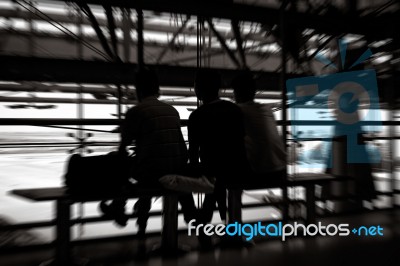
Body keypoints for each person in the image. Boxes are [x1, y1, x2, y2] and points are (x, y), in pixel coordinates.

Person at [101, 68, 196, 237]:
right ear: (157, 89)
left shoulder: (136, 111)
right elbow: (179, 147)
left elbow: (123, 148)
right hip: (176, 170)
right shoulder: (172, 111)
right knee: (151, 163)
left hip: (152, 174)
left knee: (124, 162)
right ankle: (193, 225)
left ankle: (120, 207)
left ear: (138, 89)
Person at [188, 69, 249, 227]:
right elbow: (241, 142)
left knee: (213, 182)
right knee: (222, 180)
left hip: (213, 172)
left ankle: (201, 223)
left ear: (198, 89)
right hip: (237, 170)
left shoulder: (196, 116)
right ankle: (228, 223)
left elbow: (193, 155)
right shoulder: (235, 110)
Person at [232, 71, 286, 182]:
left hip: (259, 173)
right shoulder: (267, 109)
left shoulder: (237, 110)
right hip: (281, 169)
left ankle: (235, 199)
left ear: (236, 92)